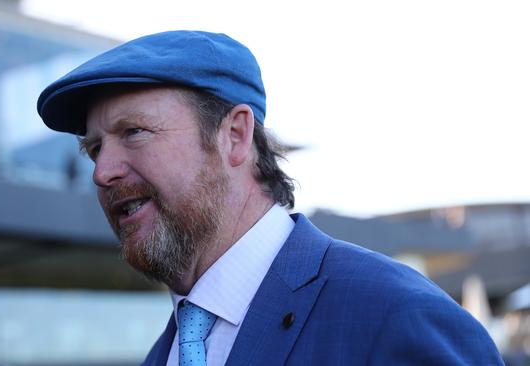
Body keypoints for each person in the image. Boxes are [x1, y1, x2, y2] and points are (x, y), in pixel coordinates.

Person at [37, 30, 503, 365]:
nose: (101, 171)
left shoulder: (393, 316)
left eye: (134, 132)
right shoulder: (166, 354)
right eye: (94, 148)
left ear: (235, 136)